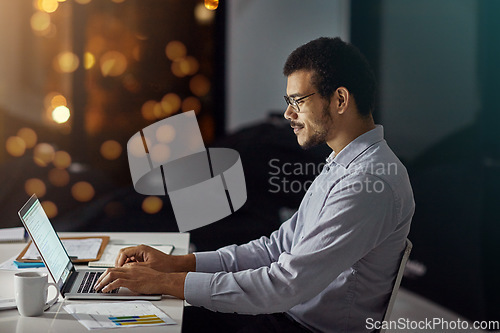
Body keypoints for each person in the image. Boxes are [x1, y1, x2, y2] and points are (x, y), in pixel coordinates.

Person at [95, 37, 415, 332]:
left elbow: (281, 287)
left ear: (340, 99)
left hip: (296, 328)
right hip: (282, 317)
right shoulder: (344, 164)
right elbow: (274, 249)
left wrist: (164, 282)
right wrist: (175, 264)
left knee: (139, 325)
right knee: (139, 318)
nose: (288, 113)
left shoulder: (367, 182)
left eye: (298, 101)